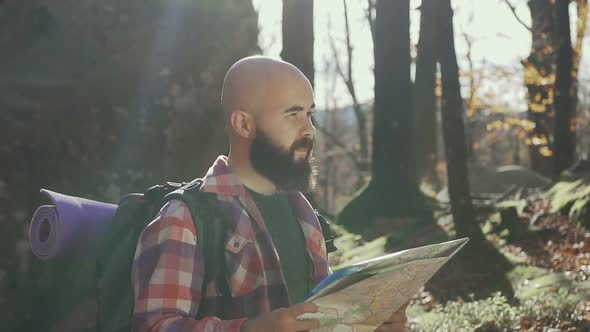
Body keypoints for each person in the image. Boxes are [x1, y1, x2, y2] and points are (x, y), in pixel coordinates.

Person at [131, 56, 408, 332]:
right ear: (244, 124)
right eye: (293, 114)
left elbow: (321, 322)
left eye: (310, 114)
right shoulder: (185, 219)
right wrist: (252, 329)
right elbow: (156, 327)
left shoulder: (304, 214)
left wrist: (369, 325)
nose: (309, 129)